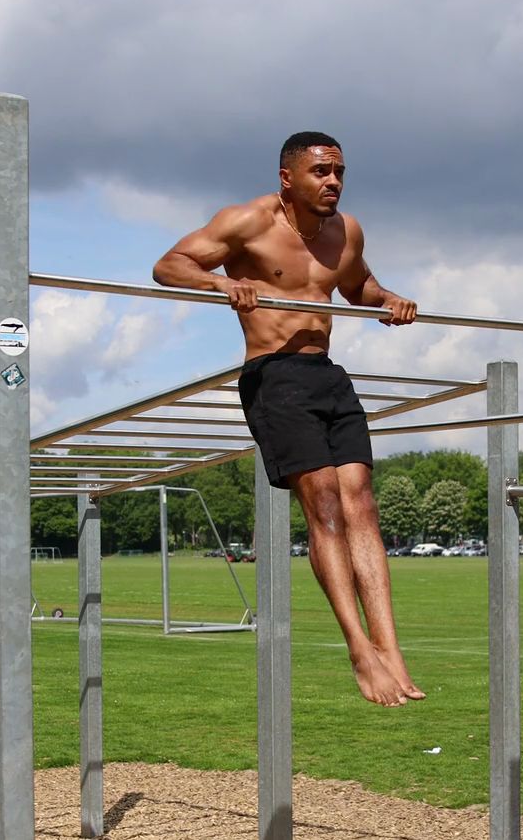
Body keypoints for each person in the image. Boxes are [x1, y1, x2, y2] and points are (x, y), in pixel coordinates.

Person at [153, 131, 424, 708]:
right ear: (288, 178)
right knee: (324, 500)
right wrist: (222, 282)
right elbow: (168, 265)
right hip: (273, 376)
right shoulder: (246, 222)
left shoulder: (345, 231)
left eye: (340, 172)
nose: (333, 183)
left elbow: (359, 288)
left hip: (327, 372)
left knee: (362, 503)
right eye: (322, 172)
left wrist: (389, 301)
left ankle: (390, 647)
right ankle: (358, 650)